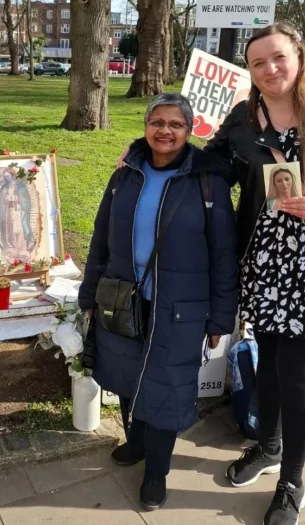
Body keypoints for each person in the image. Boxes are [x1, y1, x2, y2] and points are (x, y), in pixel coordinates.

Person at [205, 24, 305, 525]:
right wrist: (147, 154)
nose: (269, 70)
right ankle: (267, 448)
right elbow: (210, 166)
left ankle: (292, 481)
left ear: (300, 56)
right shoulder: (244, 120)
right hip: (264, 262)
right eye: (257, 63)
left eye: (277, 58)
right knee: (266, 366)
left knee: (297, 375)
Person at [78, 93, 239, 511]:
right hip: (125, 299)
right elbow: (100, 238)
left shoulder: (208, 184)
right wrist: (89, 295)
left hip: (180, 310)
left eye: (175, 124)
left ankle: (157, 472)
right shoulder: (125, 176)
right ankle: (137, 443)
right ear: (146, 125)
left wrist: (221, 317)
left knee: (167, 388)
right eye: (157, 122)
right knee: (129, 378)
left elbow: (224, 255)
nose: (165, 131)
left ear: (189, 131)